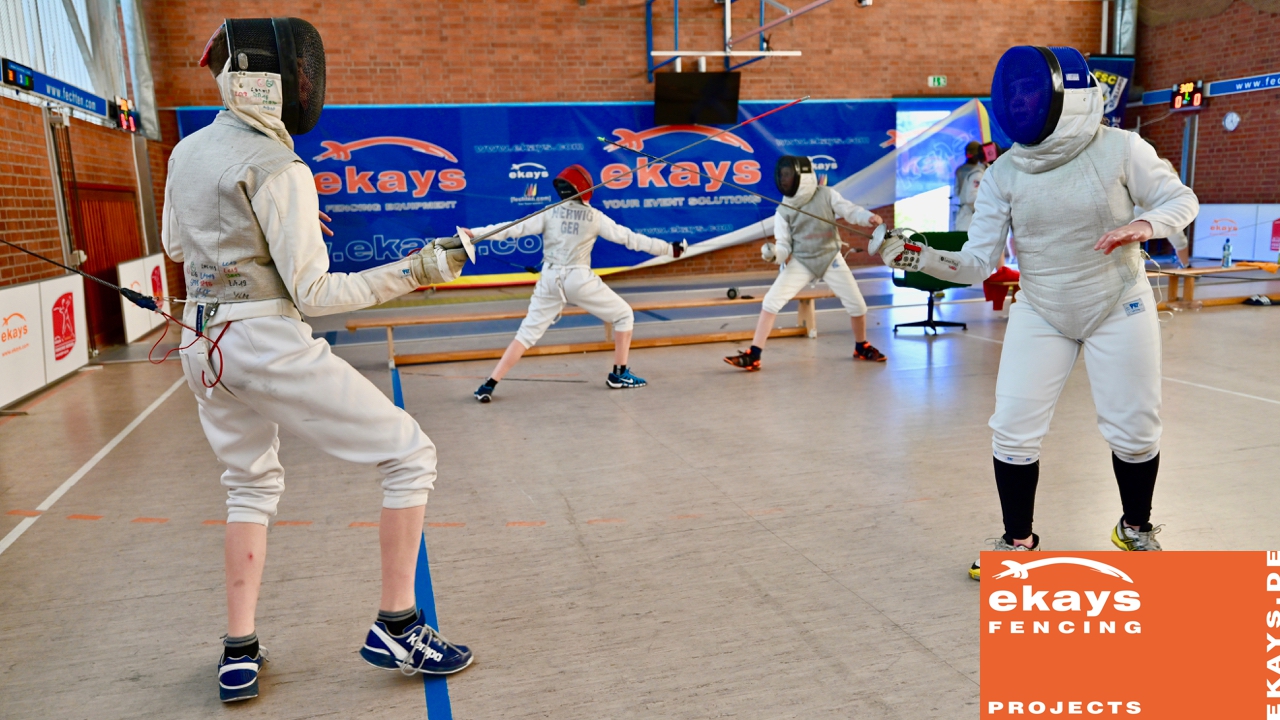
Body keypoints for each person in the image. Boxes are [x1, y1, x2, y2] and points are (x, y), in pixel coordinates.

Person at [166, 19, 474, 702]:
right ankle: (399, 625)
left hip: (201, 341)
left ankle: (239, 651)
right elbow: (315, 294)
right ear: (271, 80)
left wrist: (265, 232)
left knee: (247, 485)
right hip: (262, 341)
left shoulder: (185, 152)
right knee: (410, 455)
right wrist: (418, 270)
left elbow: (180, 246)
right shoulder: (281, 167)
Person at [870, 46, 1198, 578]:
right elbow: (978, 263)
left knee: (1135, 430)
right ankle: (1018, 541)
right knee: (1013, 430)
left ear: (1069, 96)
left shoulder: (1121, 148)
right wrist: (918, 255)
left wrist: (1145, 225)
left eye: (1032, 91)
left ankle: (1136, 527)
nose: (1021, 101)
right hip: (1042, 306)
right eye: (1016, 92)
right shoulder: (1005, 173)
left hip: (1118, 300)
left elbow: (1181, 200)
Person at [465, 164, 686, 402]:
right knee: (623, 316)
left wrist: (474, 234)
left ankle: (489, 384)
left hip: (549, 279)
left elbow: (512, 228)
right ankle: (619, 374)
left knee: (526, 334)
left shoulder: (550, 212)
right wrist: (668, 249)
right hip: (578, 279)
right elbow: (631, 239)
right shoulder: (595, 217)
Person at [725, 156, 886, 371]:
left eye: (788, 175)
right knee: (771, 301)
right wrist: (774, 255)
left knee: (857, 305)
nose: (784, 180)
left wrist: (867, 217)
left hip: (830, 257)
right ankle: (754, 354)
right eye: (782, 175)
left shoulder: (826, 194)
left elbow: (849, 210)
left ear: (802, 176)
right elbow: (784, 246)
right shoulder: (783, 209)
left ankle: (861, 346)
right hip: (802, 261)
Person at [953, 141, 987, 232]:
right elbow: (970, 197)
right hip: (970, 214)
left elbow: (956, 191)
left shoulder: (960, 170)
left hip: (964, 212)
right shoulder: (978, 172)